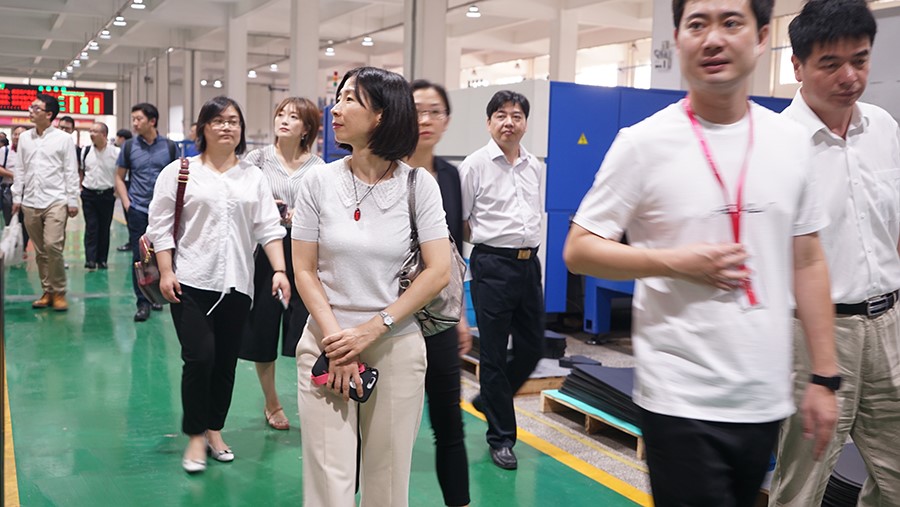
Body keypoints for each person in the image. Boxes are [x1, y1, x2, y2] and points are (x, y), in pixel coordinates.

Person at [562, 0, 841, 504]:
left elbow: (808, 259)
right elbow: (579, 249)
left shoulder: (791, 143)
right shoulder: (643, 144)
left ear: (762, 37)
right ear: (677, 39)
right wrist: (674, 261)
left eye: (731, 22)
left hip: (763, 395)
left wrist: (825, 376)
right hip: (679, 396)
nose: (713, 38)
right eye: (697, 24)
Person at [292, 66, 451, 506]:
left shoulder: (418, 185)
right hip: (325, 344)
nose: (335, 109)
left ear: (382, 115)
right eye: (338, 99)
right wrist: (337, 343)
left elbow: (438, 270)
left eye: (349, 100)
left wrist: (372, 329)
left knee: (387, 484)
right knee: (329, 486)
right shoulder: (318, 181)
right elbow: (304, 269)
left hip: (395, 346)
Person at [769, 1, 900, 505]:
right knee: (802, 484)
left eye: (860, 60)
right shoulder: (777, 146)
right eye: (831, 63)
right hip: (814, 333)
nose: (850, 76)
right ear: (797, 66)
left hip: (889, 325)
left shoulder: (884, 128)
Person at [146, 95, 290, 474]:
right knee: (200, 358)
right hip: (190, 281)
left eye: (233, 121)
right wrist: (166, 270)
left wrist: (279, 270)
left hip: (238, 284)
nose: (227, 127)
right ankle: (195, 435)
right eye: (218, 120)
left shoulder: (253, 177)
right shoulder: (180, 172)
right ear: (202, 128)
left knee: (225, 361)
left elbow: (268, 227)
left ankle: (214, 430)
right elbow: (160, 225)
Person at [459, 90, 544, 471]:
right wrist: (484, 245)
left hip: (529, 265)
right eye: (501, 115)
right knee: (493, 354)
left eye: (517, 115)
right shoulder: (474, 165)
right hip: (493, 264)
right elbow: (460, 219)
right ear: (489, 122)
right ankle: (502, 438)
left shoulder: (534, 165)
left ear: (525, 122)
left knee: (533, 347)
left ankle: (490, 399)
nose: (509, 122)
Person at [238, 97, 323, 431]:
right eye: (281, 114)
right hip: (265, 252)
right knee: (263, 328)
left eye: (294, 117)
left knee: (305, 328)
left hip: (305, 251)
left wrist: (303, 214)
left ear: (306, 129)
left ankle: (311, 399)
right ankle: (272, 401)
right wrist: (262, 207)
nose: (284, 120)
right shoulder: (256, 161)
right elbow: (240, 202)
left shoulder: (318, 168)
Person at [405, 79, 471, 507]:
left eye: (435, 111)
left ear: (447, 120)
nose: (426, 119)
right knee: (379, 426)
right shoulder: (386, 170)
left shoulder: (450, 176)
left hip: (439, 322)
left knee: (449, 424)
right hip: (390, 318)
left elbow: (454, 253)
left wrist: (460, 314)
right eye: (417, 110)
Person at [10, 94, 79, 311]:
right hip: (30, 200)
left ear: (49, 114)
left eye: (35, 108)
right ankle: (47, 290)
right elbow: (20, 169)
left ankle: (59, 291)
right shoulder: (25, 138)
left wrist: (72, 199)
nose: (30, 111)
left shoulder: (63, 139)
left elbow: (70, 170)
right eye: (31, 107)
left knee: (52, 246)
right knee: (40, 251)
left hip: (55, 200)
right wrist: (17, 197)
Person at [115, 103, 179, 322]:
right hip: (139, 209)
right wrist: (127, 203)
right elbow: (119, 177)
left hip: (165, 212)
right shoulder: (129, 147)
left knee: (165, 252)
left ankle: (158, 295)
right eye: (133, 119)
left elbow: (179, 177)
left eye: (139, 119)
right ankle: (143, 302)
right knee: (140, 257)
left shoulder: (170, 147)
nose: (134, 123)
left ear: (152, 121)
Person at [80, 122, 120, 270]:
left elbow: (120, 174)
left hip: (107, 195)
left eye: (95, 131)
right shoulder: (85, 151)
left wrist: (116, 192)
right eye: (90, 131)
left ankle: (102, 259)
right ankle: (90, 259)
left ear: (104, 134)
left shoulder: (116, 153)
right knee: (91, 227)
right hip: (89, 194)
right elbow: (82, 171)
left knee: (104, 227)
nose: (91, 134)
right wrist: (80, 188)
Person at [114, 128, 133, 253]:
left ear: (122, 138)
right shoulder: (122, 150)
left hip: (130, 184)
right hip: (124, 184)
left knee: (131, 215)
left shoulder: (128, 150)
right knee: (128, 214)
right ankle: (132, 241)